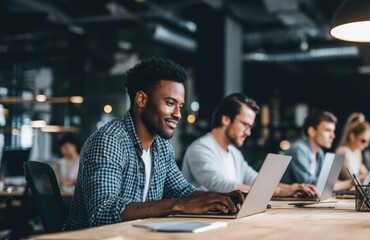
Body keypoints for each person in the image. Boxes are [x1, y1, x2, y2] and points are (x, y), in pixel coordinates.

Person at [63, 57, 244, 231]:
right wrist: (179, 205)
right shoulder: (110, 141)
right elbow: (103, 212)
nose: (178, 114)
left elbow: (181, 190)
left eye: (180, 106)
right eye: (170, 103)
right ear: (141, 100)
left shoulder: (161, 146)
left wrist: (217, 198)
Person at [182, 93, 316, 197]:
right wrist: (279, 191)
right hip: (204, 223)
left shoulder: (234, 153)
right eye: (245, 125)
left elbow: (254, 179)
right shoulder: (200, 148)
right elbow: (223, 186)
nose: (248, 132)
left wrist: (293, 188)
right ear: (226, 119)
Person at [280, 111, 352, 190]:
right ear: (312, 131)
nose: (333, 136)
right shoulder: (298, 149)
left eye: (333, 131)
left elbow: (324, 179)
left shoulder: (319, 152)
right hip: (286, 201)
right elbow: (309, 183)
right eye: (327, 130)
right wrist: (348, 183)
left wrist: (337, 182)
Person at [336, 113, 370, 187]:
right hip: (345, 191)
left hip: (354, 189)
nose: (366, 145)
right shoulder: (343, 152)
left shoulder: (357, 152)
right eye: (363, 141)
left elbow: (365, 174)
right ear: (352, 136)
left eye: (368, 141)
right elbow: (353, 178)